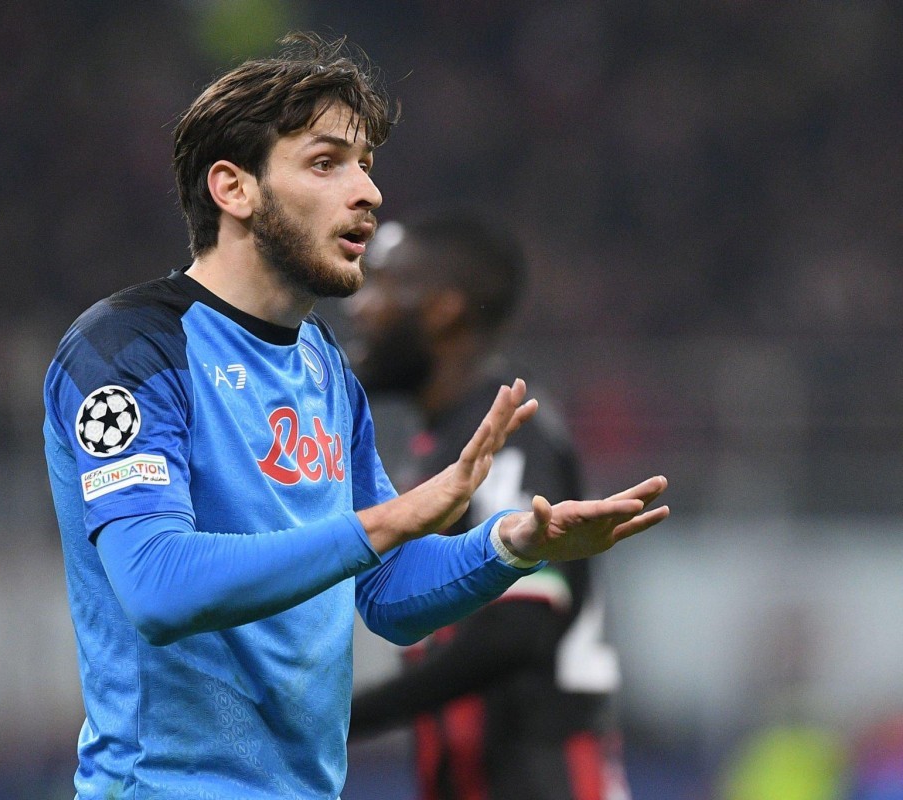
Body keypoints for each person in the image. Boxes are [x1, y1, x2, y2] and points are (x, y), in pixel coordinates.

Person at [42, 32, 669, 800]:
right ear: (234, 189)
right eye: (326, 162)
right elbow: (156, 587)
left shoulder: (324, 368)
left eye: (366, 164)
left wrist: (509, 546)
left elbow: (389, 593)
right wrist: (388, 522)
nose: (368, 191)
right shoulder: (131, 350)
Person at [345, 211, 632, 800]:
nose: (361, 307)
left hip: (540, 779)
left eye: (385, 285)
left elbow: (518, 626)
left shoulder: (508, 436)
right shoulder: (449, 441)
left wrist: (345, 717)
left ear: (444, 310)